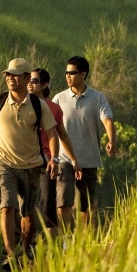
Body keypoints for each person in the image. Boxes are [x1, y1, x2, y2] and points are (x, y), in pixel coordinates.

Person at [0, 58, 62, 271]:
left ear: (26, 78)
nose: (10, 78)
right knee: (6, 206)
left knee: (28, 215)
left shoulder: (38, 105)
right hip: (3, 164)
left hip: (32, 166)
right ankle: (11, 254)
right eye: (8, 74)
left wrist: (54, 158)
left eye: (15, 75)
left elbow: (52, 134)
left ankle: (24, 249)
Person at [52, 55, 116, 229]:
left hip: (89, 159)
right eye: (66, 72)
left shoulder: (97, 98)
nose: (67, 76)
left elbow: (107, 120)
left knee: (86, 205)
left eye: (72, 73)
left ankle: (83, 242)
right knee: (63, 200)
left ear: (83, 74)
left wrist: (111, 139)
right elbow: (50, 128)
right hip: (64, 158)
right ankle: (64, 240)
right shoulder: (59, 98)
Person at [27, 67, 79, 239]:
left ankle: (50, 248)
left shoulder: (53, 108)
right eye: (29, 80)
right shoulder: (21, 104)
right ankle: (26, 244)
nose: (30, 84)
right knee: (26, 204)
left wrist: (73, 159)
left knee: (48, 204)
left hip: (46, 161)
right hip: (23, 159)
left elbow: (61, 134)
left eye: (34, 81)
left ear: (44, 84)